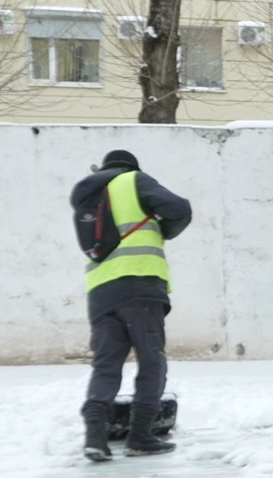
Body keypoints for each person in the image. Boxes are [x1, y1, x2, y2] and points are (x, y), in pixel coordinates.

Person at [72, 149, 193, 461]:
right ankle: (140, 435)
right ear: (130, 167)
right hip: (139, 284)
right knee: (152, 361)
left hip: (100, 291)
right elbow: (180, 209)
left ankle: (95, 438)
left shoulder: (90, 196)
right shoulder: (132, 181)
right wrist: (163, 230)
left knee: (106, 366)